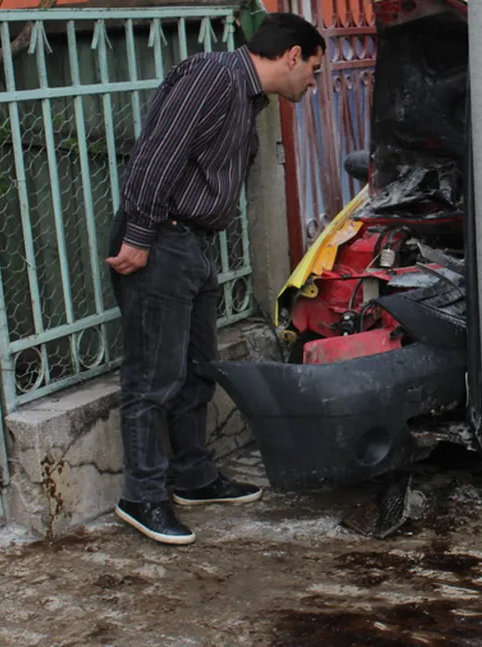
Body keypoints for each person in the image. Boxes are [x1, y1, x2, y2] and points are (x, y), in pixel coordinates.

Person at [105, 13, 325, 545]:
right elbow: (158, 155)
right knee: (152, 379)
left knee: (197, 370)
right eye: (314, 70)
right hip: (158, 240)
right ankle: (142, 496)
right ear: (292, 55)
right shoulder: (214, 77)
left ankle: (194, 477)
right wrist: (138, 236)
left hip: (190, 245)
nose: (314, 83)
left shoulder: (245, 96)